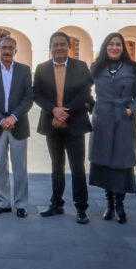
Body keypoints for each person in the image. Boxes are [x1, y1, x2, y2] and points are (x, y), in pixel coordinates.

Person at [33, 31, 93, 224]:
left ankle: (81, 208)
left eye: (62, 44)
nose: (59, 47)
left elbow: (84, 93)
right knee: (56, 167)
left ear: (69, 47)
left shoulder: (81, 67)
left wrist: (64, 113)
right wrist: (53, 110)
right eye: (55, 44)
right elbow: (37, 94)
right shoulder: (42, 68)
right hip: (52, 124)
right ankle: (56, 204)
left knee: (77, 167)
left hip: (74, 123)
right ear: (50, 48)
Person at [88, 33, 136, 224]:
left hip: (123, 120)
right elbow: (83, 89)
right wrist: (92, 107)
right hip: (102, 119)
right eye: (110, 44)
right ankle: (109, 204)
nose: (114, 47)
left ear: (123, 47)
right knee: (104, 160)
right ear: (105, 47)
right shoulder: (96, 67)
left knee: (121, 161)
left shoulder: (133, 68)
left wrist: (131, 110)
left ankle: (120, 204)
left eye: (118, 44)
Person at [0, 36, 33, 218]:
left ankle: (21, 204)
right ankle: (3, 203)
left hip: (18, 124)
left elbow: (28, 98)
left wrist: (13, 117)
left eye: (10, 48)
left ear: (15, 51)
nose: (7, 51)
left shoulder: (24, 70)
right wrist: (1, 119)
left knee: (20, 167)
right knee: (1, 166)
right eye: (3, 48)